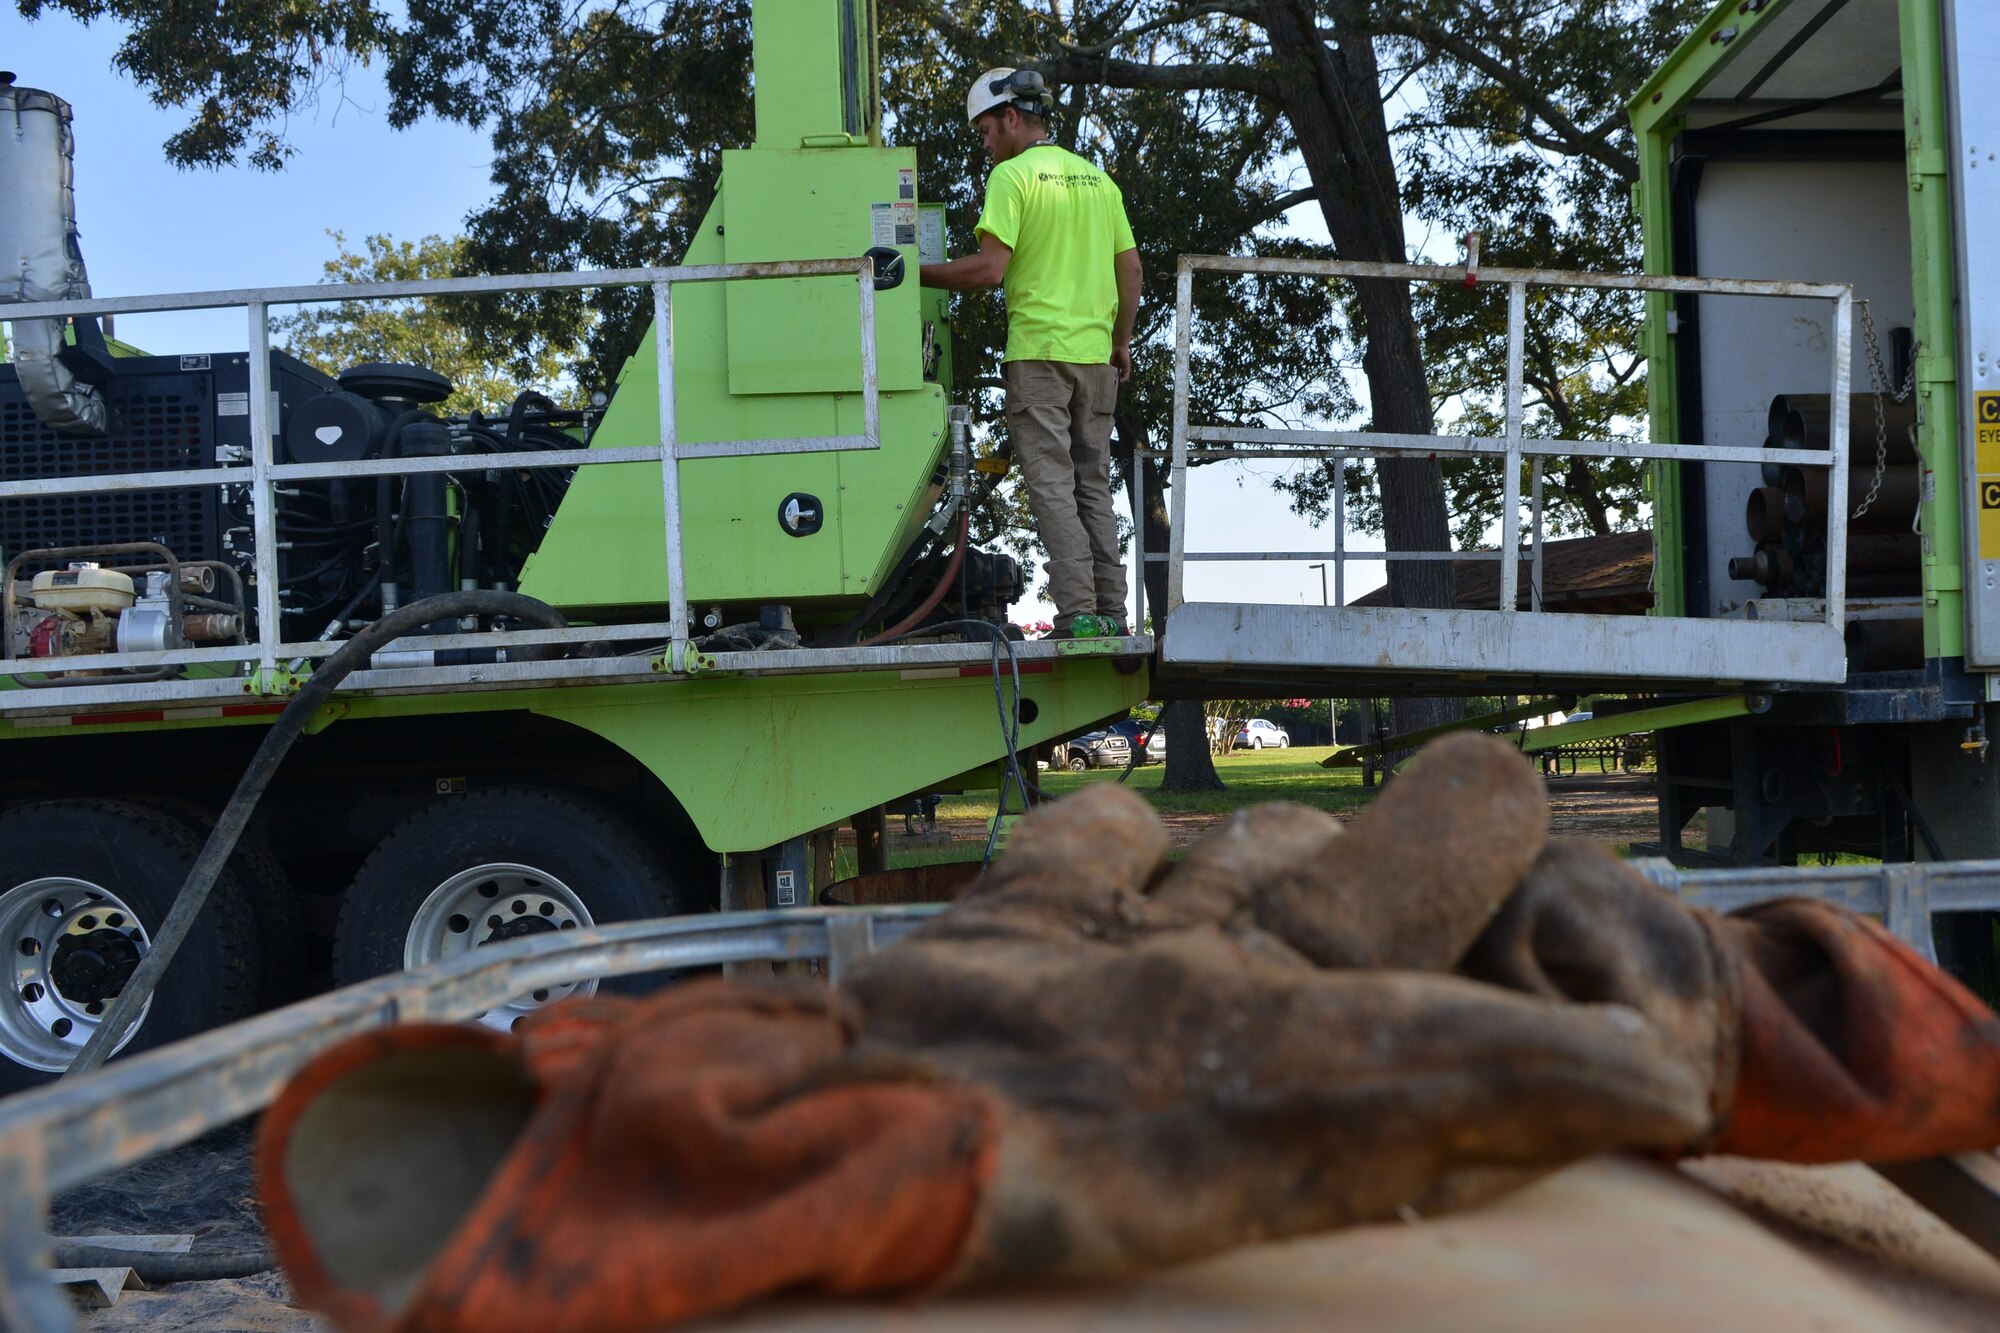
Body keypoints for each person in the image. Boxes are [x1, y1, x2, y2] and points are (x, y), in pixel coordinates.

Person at [919, 68, 1142, 639]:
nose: (986, 143)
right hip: (1095, 360)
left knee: (1051, 485)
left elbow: (991, 270)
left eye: (987, 130)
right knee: (1093, 485)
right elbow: (1132, 271)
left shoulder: (1012, 178)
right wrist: (1119, 341)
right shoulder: (1099, 182)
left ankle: (1079, 614)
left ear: (1012, 118)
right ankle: (1113, 613)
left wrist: (909, 275)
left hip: (1039, 357)